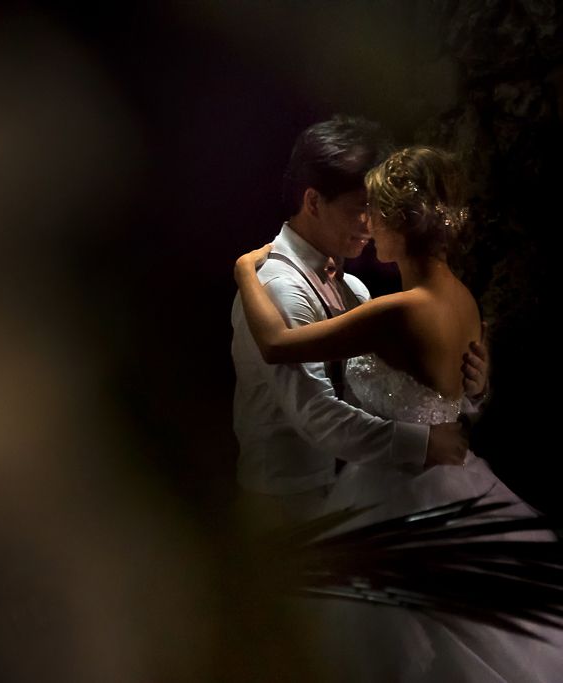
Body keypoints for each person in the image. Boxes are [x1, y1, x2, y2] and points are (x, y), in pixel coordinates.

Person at [235, 145, 561, 682]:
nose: (367, 225)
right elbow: (454, 393)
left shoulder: (397, 311)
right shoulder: (461, 298)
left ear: (399, 224)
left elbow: (275, 344)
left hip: (398, 491)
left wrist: (245, 270)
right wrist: (478, 388)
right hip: (453, 480)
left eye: (375, 213)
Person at [230, 116, 488, 526]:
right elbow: (316, 412)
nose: (372, 224)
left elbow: (390, 394)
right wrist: (422, 443)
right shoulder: (277, 287)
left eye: (379, 209)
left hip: (369, 490)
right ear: (313, 202)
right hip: (290, 501)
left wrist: (464, 387)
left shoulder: (354, 288)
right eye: (361, 209)